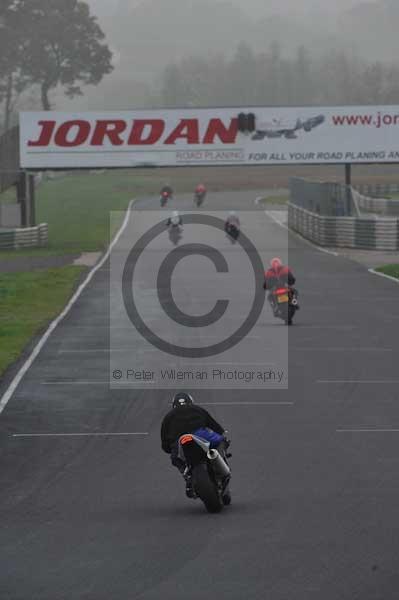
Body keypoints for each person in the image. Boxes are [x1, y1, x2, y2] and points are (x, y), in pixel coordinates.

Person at [161, 392, 230, 497]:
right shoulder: (197, 409)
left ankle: (187, 476)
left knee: (175, 458)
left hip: (180, 440)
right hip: (200, 434)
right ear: (191, 402)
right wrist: (224, 438)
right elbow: (216, 427)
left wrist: (170, 449)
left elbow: (165, 444)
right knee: (221, 441)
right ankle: (222, 464)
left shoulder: (168, 417)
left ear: (173, 405)